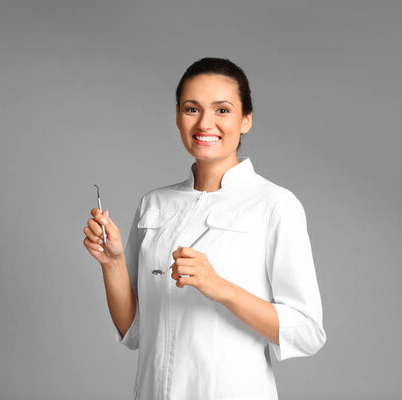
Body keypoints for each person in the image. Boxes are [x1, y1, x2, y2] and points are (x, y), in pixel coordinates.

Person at [83, 57, 326, 400]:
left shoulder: (275, 205)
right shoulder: (154, 204)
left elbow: (306, 332)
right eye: (191, 109)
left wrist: (219, 287)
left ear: (246, 120)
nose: (205, 123)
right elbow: (135, 332)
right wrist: (112, 263)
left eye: (222, 110)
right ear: (178, 117)